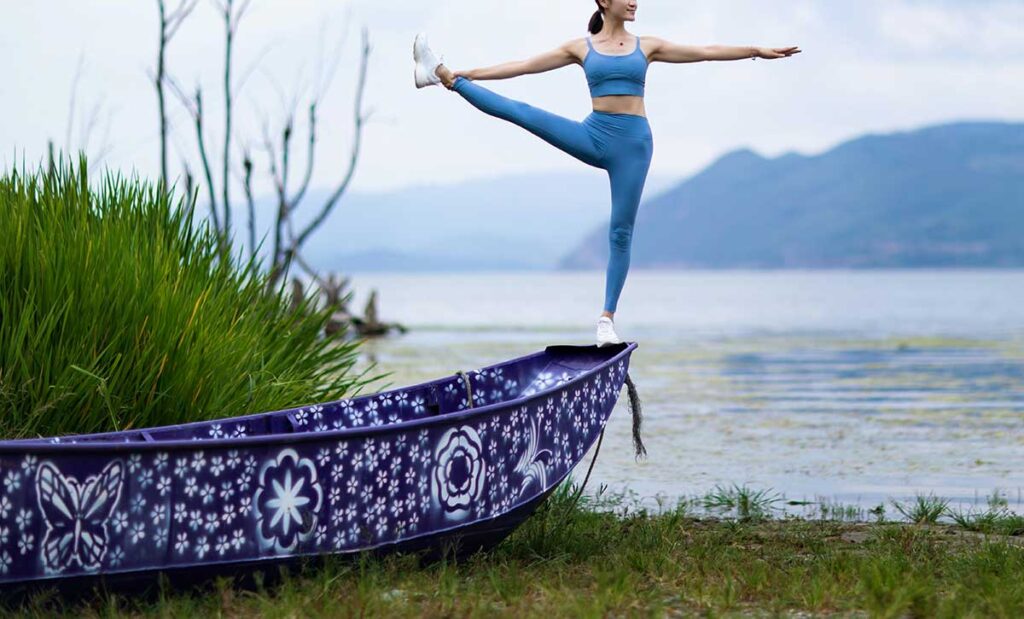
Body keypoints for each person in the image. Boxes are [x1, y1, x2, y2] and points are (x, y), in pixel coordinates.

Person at [413, 0, 800, 347]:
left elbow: (706, 52)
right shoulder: (580, 48)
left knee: (620, 231)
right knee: (523, 113)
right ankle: (443, 75)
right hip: (594, 134)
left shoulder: (647, 45)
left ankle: (606, 320)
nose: (635, 2)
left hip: (633, 147)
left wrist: (755, 51)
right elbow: (521, 66)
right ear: (604, 2)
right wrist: (472, 73)